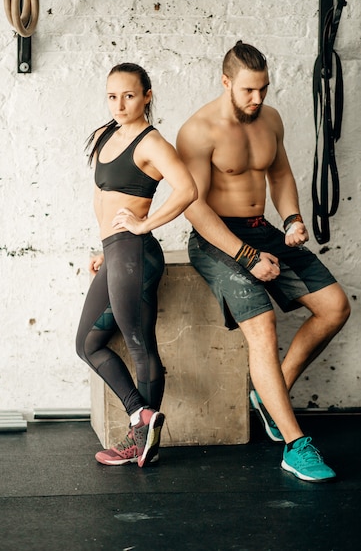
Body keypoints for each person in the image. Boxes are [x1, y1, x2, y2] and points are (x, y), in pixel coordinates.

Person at [176, 41, 350, 482]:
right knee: (263, 326)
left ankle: (273, 397)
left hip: (262, 228)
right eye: (249, 90)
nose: (258, 99)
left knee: (334, 307)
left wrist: (291, 218)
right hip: (217, 238)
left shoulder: (269, 119)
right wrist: (248, 256)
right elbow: (193, 206)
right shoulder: (198, 131)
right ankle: (295, 445)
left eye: (264, 89)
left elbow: (280, 174)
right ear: (226, 81)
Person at [76, 62, 197, 467]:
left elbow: (187, 190)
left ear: (146, 95)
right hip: (115, 253)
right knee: (87, 344)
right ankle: (140, 414)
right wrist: (102, 249)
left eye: (129, 95)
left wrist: (145, 223)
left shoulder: (152, 143)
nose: (120, 103)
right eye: (112, 96)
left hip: (136, 255)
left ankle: (142, 441)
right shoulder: (103, 134)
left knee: (139, 345)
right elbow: (102, 201)